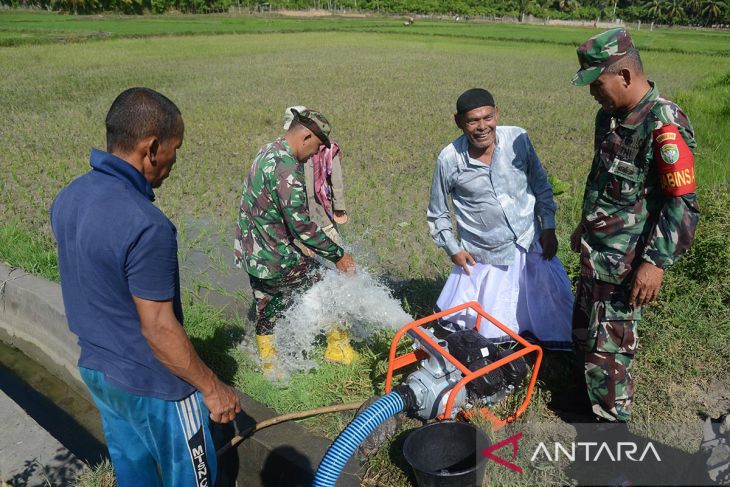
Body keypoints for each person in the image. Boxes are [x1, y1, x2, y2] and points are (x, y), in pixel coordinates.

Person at [50, 87, 241, 487]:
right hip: (156, 387)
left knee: (135, 475)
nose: (175, 160)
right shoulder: (147, 225)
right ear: (152, 148)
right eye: (176, 148)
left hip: (99, 371)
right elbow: (158, 327)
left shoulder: (69, 197)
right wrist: (212, 388)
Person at [570, 28, 699, 422]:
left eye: (597, 83)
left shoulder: (664, 123)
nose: (593, 92)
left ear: (624, 75)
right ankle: (587, 403)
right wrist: (583, 224)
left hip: (627, 265)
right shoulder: (608, 118)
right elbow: (602, 180)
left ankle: (611, 435)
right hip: (597, 255)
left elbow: (682, 203)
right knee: (586, 338)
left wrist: (655, 263)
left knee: (609, 351)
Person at [427, 88, 573, 351]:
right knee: (491, 326)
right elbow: (437, 212)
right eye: (473, 120)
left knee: (546, 306)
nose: (482, 127)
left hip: (529, 241)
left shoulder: (518, 138)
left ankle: (545, 356)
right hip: (485, 253)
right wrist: (453, 249)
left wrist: (548, 227)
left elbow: (541, 185)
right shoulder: (449, 159)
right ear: (459, 122)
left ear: (497, 114)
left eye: (488, 118)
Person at [234, 108, 358, 372]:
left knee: (266, 306)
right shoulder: (288, 168)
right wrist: (339, 256)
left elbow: (273, 210)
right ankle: (338, 349)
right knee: (330, 283)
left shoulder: (267, 151)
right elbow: (303, 226)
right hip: (277, 258)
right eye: (316, 147)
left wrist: (297, 242)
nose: (315, 155)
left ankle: (270, 367)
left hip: (253, 253)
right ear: (305, 137)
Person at [282, 106, 349, 248]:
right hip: (306, 214)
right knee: (333, 249)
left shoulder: (328, 150)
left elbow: (336, 182)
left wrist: (339, 208)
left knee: (332, 248)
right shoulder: (286, 155)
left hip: (314, 212)